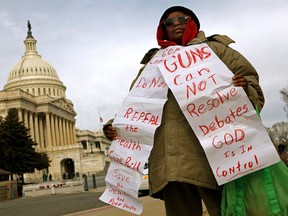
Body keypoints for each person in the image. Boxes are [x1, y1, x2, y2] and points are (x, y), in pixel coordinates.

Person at [104, 6, 264, 216]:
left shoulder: (216, 50)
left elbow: (253, 87)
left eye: (182, 18)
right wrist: (115, 128)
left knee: (229, 211)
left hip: (217, 156)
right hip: (170, 163)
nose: (177, 23)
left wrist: (245, 89)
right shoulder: (153, 64)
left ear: (193, 22)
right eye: (169, 22)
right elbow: (137, 105)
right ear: (163, 29)